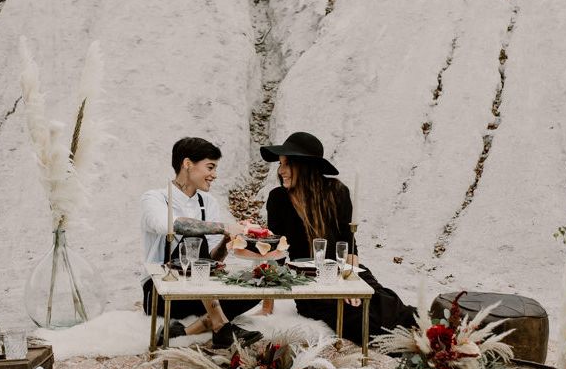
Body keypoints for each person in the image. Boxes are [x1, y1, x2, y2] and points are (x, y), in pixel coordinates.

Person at [260, 131, 416, 343]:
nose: (281, 171)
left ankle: (439, 334)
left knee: (385, 304)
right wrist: (267, 307)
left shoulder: (337, 191)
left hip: (345, 271)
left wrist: (350, 282)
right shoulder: (278, 199)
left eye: (286, 164)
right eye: (280, 164)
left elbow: (349, 243)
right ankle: (403, 344)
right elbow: (274, 254)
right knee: (358, 319)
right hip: (310, 282)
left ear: (304, 166)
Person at [140, 137, 261, 348]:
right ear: (187, 164)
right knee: (191, 237)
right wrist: (223, 227)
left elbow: (210, 260)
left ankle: (190, 329)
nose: (214, 175)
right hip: (162, 290)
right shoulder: (155, 198)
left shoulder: (208, 203)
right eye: (210, 167)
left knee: (255, 288)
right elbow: (171, 225)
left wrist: (225, 242)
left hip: (199, 290)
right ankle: (221, 327)